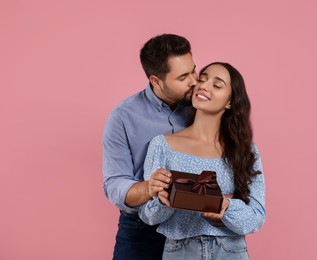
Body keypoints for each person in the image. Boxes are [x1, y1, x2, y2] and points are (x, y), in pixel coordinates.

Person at [139, 62, 266, 259]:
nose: (204, 86)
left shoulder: (245, 151)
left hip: (230, 251)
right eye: (203, 79)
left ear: (229, 102)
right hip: (179, 251)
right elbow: (148, 216)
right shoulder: (162, 145)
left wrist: (226, 207)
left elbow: (256, 218)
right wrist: (163, 201)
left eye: (217, 85)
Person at [102, 34, 198, 259]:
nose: (194, 80)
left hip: (193, 226)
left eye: (193, 70)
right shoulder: (122, 118)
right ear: (156, 81)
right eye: (183, 76)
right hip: (142, 230)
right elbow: (114, 183)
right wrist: (149, 187)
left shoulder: (201, 105)